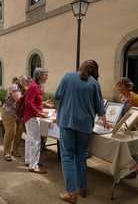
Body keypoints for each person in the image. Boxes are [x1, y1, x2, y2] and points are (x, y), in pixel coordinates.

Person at [54, 60, 109, 203]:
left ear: (80, 67)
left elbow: (57, 95)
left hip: (68, 122)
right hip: (85, 126)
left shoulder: (67, 76)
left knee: (67, 157)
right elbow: (99, 106)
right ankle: (82, 187)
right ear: (94, 71)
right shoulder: (94, 83)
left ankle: (71, 193)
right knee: (80, 155)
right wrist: (104, 121)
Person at [23, 68, 49, 174]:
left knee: (30, 139)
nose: (47, 77)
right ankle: (33, 166)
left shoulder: (34, 85)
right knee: (36, 141)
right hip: (32, 117)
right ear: (39, 75)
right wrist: (39, 113)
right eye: (45, 75)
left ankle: (29, 161)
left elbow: (33, 101)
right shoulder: (33, 86)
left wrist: (43, 104)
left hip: (30, 116)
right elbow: (29, 103)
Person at [1, 78, 23, 161]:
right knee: (11, 132)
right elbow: (19, 99)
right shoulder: (14, 87)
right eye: (26, 82)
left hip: (18, 113)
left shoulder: (24, 89)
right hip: (9, 112)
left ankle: (15, 150)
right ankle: (7, 152)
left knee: (19, 132)